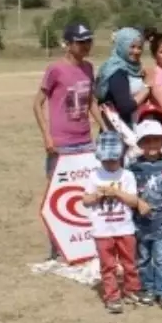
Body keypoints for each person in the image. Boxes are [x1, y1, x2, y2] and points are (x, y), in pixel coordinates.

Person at [35, 22, 101, 253]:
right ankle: (57, 249)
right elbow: (37, 103)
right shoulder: (55, 70)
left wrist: (104, 127)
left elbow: (91, 101)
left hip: (85, 142)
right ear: (68, 44)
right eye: (81, 42)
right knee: (58, 198)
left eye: (88, 41)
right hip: (61, 144)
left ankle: (82, 246)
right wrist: (47, 136)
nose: (86, 46)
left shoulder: (89, 68)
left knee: (85, 193)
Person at [82, 131, 146, 314]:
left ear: (121, 156)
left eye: (113, 159)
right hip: (102, 230)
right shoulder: (94, 176)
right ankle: (112, 296)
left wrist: (117, 193)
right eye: (106, 160)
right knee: (108, 265)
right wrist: (97, 195)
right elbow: (85, 200)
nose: (110, 163)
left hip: (125, 228)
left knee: (130, 262)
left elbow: (134, 201)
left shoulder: (127, 175)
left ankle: (132, 289)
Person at [129, 120, 162, 308]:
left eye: (156, 140)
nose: (152, 145)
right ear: (139, 144)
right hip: (140, 222)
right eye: (147, 141)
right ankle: (147, 288)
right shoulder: (132, 168)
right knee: (143, 257)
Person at [95, 27, 151, 127]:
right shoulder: (116, 70)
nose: (136, 51)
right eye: (132, 47)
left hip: (132, 127)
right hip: (120, 132)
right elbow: (126, 107)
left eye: (139, 47)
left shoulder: (133, 68)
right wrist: (147, 89)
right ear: (122, 46)